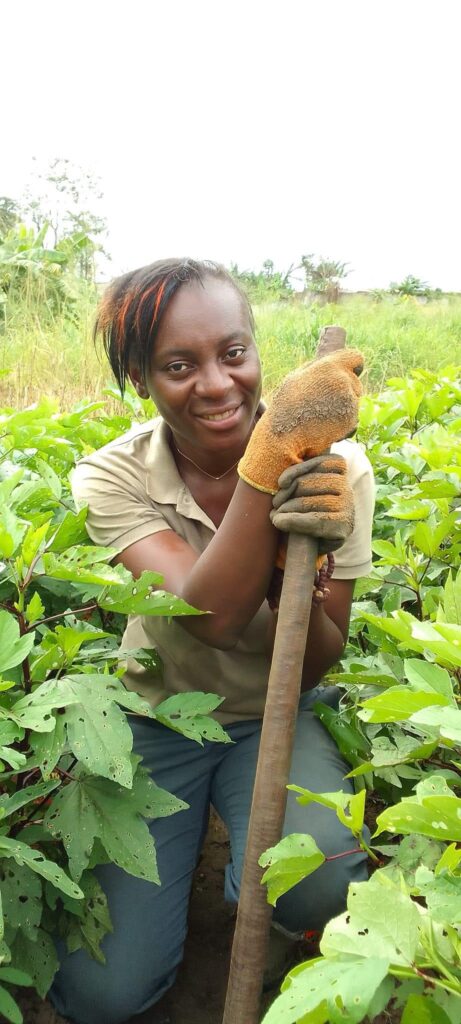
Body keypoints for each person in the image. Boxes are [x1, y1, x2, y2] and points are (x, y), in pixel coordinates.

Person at [51, 258, 375, 1024]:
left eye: (233, 353)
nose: (218, 384)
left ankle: (255, 897)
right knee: (104, 994)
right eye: (177, 365)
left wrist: (299, 575)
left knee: (317, 880)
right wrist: (266, 473)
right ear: (139, 379)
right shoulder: (111, 477)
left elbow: (321, 651)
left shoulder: (336, 468)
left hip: (275, 707)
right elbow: (211, 620)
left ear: (256, 351)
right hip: (158, 711)